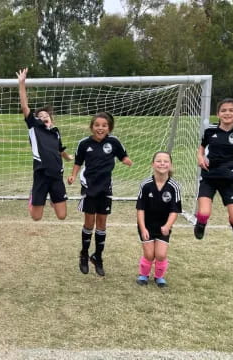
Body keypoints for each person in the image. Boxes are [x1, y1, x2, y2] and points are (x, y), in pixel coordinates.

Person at [67, 112, 132, 276]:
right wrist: (73, 175)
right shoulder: (84, 144)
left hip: (105, 188)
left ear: (109, 128)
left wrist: (126, 161)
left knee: (102, 223)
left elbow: (123, 155)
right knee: (89, 222)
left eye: (104, 125)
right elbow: (78, 162)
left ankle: (98, 257)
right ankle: (83, 254)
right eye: (97, 125)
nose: (100, 128)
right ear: (92, 127)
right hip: (89, 187)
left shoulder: (114, 142)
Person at [17, 68, 73, 221]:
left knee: (62, 216)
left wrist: (68, 158)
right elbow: (24, 106)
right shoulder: (34, 128)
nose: (43, 117)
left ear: (51, 118)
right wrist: (22, 83)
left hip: (56, 175)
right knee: (36, 217)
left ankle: (52, 200)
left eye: (45, 115)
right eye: (39, 116)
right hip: (41, 175)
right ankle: (32, 197)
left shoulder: (55, 131)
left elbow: (60, 149)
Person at [194, 98, 233, 240]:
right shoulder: (210, 130)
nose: (227, 113)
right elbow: (201, 149)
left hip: (228, 179)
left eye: (231, 110)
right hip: (208, 177)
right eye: (223, 110)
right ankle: (200, 224)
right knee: (204, 213)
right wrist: (200, 158)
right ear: (218, 114)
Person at [136, 151, 182, 287]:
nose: (162, 163)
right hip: (147, 225)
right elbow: (140, 209)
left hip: (164, 225)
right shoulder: (145, 185)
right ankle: (143, 275)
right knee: (149, 255)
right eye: (159, 161)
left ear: (170, 165)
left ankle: (159, 277)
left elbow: (175, 210)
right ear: (153, 164)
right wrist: (143, 228)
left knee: (161, 255)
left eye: (166, 161)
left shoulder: (174, 186)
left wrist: (167, 226)